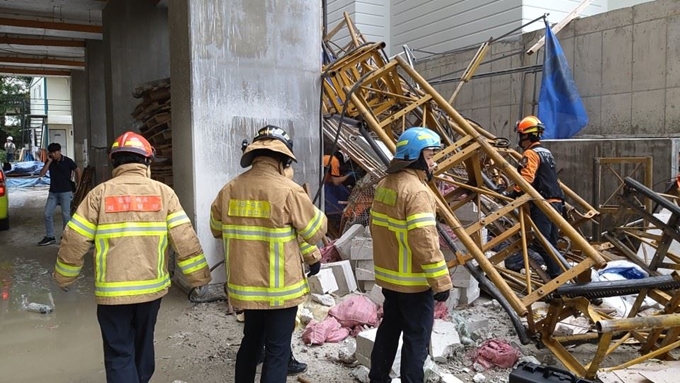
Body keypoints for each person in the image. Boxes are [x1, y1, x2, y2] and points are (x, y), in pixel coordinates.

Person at [54, 131, 212, 383]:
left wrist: (64, 277)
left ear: (115, 162)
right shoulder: (164, 194)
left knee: (118, 352)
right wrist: (198, 278)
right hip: (151, 289)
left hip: (112, 292)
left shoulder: (98, 195)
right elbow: (184, 238)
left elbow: (74, 240)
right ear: (146, 162)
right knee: (143, 341)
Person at [210, 125, 327, 383]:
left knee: (251, 342)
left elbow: (216, 230)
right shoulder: (289, 190)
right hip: (280, 291)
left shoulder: (229, 190)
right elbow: (315, 231)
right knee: (277, 351)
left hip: (246, 287)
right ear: (284, 160)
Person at [369, 127, 452, 383]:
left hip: (390, 278)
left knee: (389, 329)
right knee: (416, 338)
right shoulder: (417, 192)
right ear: (415, 157)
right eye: (429, 155)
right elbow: (425, 242)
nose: (433, 161)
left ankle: (378, 378)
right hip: (414, 283)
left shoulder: (385, 184)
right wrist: (441, 282)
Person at [502, 115, 565, 278]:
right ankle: (559, 273)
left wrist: (513, 193)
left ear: (525, 135)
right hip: (556, 202)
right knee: (550, 243)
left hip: (543, 203)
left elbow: (526, 178)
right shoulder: (546, 152)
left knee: (541, 243)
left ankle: (557, 275)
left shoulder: (530, 153)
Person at [38, 142, 81, 245]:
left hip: (66, 191)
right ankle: (50, 236)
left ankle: (66, 236)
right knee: (47, 213)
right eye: (51, 153)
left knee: (66, 214)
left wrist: (78, 184)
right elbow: (41, 174)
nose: (53, 154)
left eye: (54, 152)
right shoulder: (50, 162)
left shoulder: (67, 161)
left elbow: (78, 170)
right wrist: (48, 162)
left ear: (59, 151)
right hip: (53, 192)